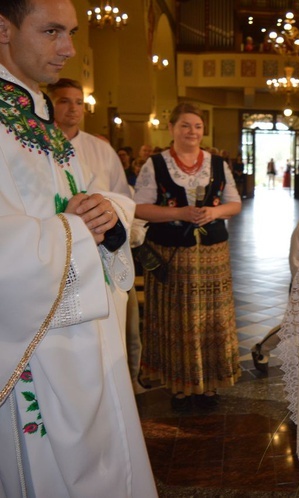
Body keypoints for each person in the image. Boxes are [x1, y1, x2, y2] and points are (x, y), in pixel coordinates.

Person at [0, 0, 157, 496]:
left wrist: (107, 216)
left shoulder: (39, 116)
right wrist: (72, 230)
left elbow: (84, 195)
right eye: (51, 32)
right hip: (36, 345)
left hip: (90, 338)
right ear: (3, 29)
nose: (69, 49)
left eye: (70, 32)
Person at [134, 103, 242, 410]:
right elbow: (139, 207)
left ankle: (209, 382)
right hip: (172, 254)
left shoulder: (217, 163)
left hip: (212, 257)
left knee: (211, 320)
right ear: (171, 128)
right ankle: (180, 384)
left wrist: (214, 212)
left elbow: (234, 203)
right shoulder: (155, 164)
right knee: (178, 319)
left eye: (197, 126)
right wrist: (178, 212)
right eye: (185, 125)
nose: (191, 131)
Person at [48, 77, 145, 391]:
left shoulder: (100, 149)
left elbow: (122, 197)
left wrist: (115, 221)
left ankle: (127, 385)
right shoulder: (40, 146)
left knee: (123, 330)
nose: (73, 109)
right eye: (64, 101)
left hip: (107, 253)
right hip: (63, 257)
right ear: (49, 103)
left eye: (79, 102)